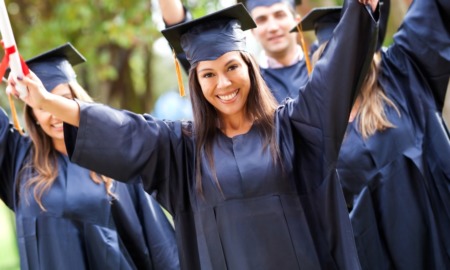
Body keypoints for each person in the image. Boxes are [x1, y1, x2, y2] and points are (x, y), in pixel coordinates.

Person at [8, 1, 379, 269]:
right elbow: (122, 130)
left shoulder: (297, 127)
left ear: (249, 68)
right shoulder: (180, 150)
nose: (223, 83)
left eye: (232, 67)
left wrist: (361, 8)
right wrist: (47, 103)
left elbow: (334, 75)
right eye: (208, 74)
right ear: (196, 83)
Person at [1, 43, 179, 270]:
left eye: (63, 99)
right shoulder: (19, 160)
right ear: (33, 112)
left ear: (78, 100)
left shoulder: (113, 154)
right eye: (44, 105)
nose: (55, 113)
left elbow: (157, 241)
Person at [303, 0, 450, 268]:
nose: (347, 61)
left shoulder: (402, 75)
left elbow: (431, 12)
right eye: (335, 54)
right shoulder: (315, 125)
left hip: (441, 230)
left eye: (354, 46)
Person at [159, 0, 309, 104]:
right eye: (262, 19)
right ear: (253, 30)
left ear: (297, 21)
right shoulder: (245, 80)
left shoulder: (322, 68)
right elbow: (184, 33)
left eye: (279, 15)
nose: (273, 27)